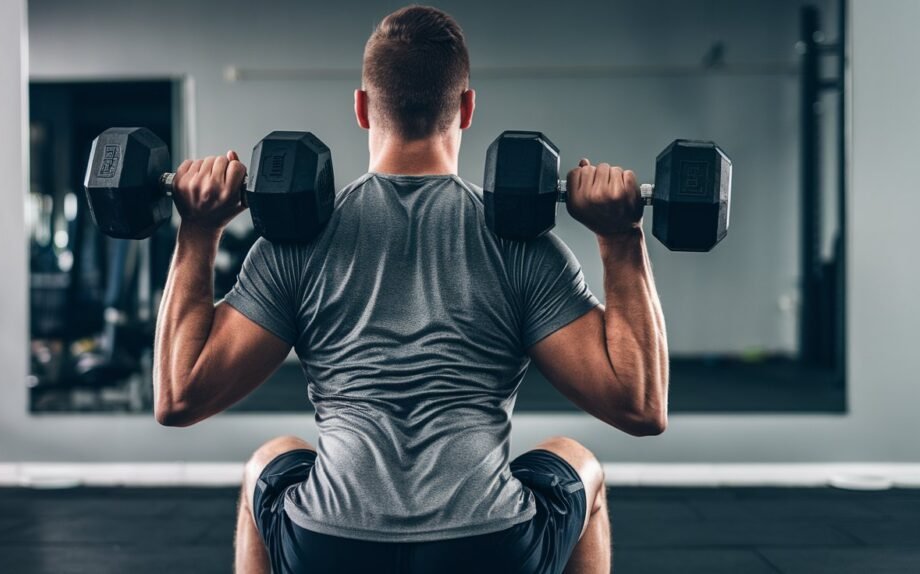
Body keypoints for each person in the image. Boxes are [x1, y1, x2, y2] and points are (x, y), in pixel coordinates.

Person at [153, 5, 667, 573]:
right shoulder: (523, 247)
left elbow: (179, 398)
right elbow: (640, 405)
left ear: (363, 108)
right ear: (467, 108)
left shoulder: (295, 245)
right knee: (578, 464)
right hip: (490, 545)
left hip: (329, 544)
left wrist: (197, 230)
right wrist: (621, 240)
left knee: (268, 463)